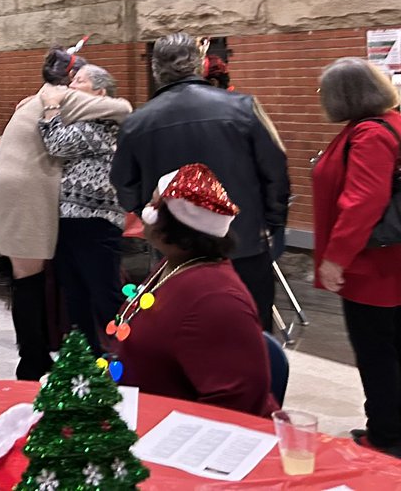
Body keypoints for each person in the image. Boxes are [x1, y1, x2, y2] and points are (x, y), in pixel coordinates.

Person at [110, 32, 291, 329]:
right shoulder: (243, 108)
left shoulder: (136, 123)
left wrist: (153, 216)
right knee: (253, 335)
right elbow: (275, 171)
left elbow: (124, 185)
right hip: (242, 242)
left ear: (156, 70)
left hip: (177, 250)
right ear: (199, 65)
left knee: (188, 334)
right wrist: (273, 222)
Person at [0, 45, 121, 379]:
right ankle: (32, 361)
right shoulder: (61, 101)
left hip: (6, 188)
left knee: (29, 277)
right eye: (76, 78)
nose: (75, 86)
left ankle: (40, 355)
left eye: (81, 81)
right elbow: (59, 141)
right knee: (27, 278)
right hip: (22, 190)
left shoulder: (44, 98)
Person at [116, 163, 275, 417]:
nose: (143, 210)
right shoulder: (172, 265)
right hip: (133, 413)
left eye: (152, 204)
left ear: (172, 225)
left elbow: (235, 406)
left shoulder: (217, 301)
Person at [312, 57, 401, 456]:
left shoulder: (369, 134)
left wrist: (336, 258)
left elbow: (363, 201)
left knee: (377, 353)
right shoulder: (389, 124)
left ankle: (386, 436)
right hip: (388, 262)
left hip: (375, 269)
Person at [38, 64, 132, 354]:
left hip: (95, 222)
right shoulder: (87, 121)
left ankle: (131, 354)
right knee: (75, 292)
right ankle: (88, 356)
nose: (71, 85)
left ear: (99, 93)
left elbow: (56, 143)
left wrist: (51, 108)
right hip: (72, 221)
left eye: (79, 81)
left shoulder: (101, 124)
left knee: (106, 296)